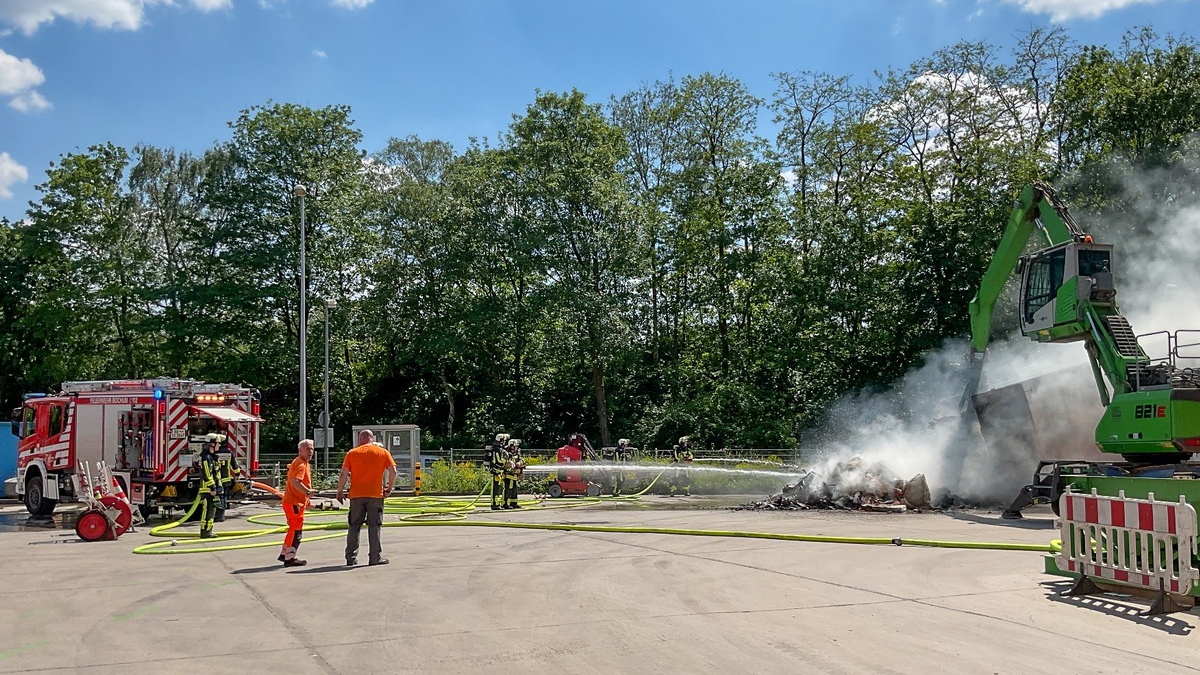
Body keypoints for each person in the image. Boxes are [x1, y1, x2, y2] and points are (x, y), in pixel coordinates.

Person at [337, 429, 397, 566]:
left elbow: (343, 474)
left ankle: (350, 558)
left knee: (354, 526)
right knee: (374, 526)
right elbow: (393, 471)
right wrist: (389, 488)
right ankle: (375, 557)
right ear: (371, 438)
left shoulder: (352, 453)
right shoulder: (382, 452)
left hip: (356, 495)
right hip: (375, 495)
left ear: (362, 438)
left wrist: (339, 492)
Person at [278, 439, 315, 567]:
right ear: (300, 450)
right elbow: (295, 481)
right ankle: (290, 557)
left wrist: (306, 498)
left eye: (312, 449)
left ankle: (285, 553)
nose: (311, 451)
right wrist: (308, 492)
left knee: (292, 529)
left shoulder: (302, 462)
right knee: (296, 531)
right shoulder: (301, 464)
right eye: (308, 449)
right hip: (294, 503)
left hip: (294, 502)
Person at [196, 436, 219, 538]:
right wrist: (213, 487)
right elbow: (206, 474)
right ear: (212, 445)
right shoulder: (206, 458)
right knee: (207, 511)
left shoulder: (210, 457)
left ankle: (208, 531)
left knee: (211, 511)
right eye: (218, 443)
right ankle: (205, 533)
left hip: (210, 488)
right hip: (207, 489)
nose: (219, 445)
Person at [487, 433, 509, 510]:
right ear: (500, 440)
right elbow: (498, 460)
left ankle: (498, 503)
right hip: (496, 471)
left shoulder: (499, 449)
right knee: (496, 489)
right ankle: (495, 504)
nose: (504, 442)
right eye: (503, 441)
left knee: (500, 488)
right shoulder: (496, 450)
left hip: (500, 471)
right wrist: (506, 461)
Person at [503, 438, 525, 509]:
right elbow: (504, 463)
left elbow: (522, 460)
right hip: (508, 475)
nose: (516, 447)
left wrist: (520, 463)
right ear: (511, 446)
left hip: (515, 475)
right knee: (508, 489)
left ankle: (514, 503)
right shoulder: (506, 453)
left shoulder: (517, 453)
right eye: (515, 446)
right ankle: (506, 504)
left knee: (514, 490)